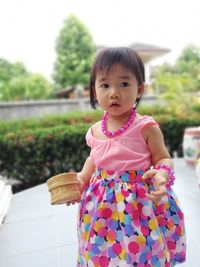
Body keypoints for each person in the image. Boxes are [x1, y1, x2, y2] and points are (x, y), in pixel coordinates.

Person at [68, 47, 186, 266]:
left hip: (139, 203)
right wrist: (82, 179)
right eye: (105, 85)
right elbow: (95, 158)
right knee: (102, 249)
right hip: (102, 205)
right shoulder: (95, 131)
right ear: (94, 91)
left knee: (140, 251)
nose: (114, 92)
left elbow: (162, 157)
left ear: (139, 89)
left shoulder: (146, 127)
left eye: (124, 83)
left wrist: (162, 173)